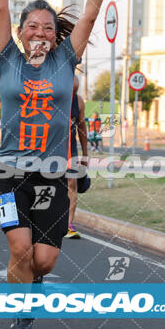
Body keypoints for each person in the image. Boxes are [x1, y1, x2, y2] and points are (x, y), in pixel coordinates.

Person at [0, 0, 123, 329]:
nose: (41, 32)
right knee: (20, 251)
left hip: (52, 176)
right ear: (20, 31)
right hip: (8, 174)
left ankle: (33, 285)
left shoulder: (66, 61)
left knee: (44, 261)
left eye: (48, 27)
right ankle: (22, 315)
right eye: (33, 25)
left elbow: (90, 14)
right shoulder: (7, 58)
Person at [65, 76, 88, 239]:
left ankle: (68, 225)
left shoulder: (78, 102)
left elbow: (82, 128)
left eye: (75, 91)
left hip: (70, 149)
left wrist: (85, 154)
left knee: (72, 184)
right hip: (50, 148)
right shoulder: (51, 98)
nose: (72, 94)